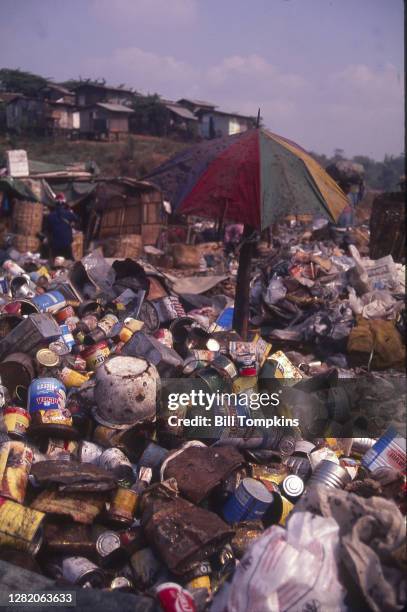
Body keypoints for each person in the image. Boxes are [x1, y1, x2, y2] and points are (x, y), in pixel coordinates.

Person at [45, 193, 79, 260]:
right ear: (64, 203)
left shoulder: (50, 216)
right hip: (66, 243)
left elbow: (48, 230)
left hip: (55, 244)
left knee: (56, 263)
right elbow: (78, 220)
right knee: (70, 262)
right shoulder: (69, 213)